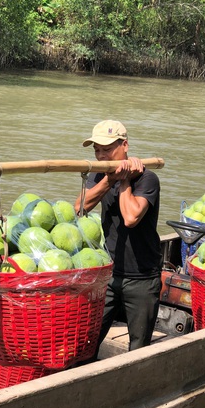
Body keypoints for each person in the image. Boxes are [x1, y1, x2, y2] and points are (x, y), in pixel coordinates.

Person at [75, 120, 161, 354]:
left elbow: (131, 218)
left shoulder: (147, 178)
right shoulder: (99, 176)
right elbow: (79, 209)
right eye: (97, 150)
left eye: (107, 149)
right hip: (109, 273)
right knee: (87, 341)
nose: (101, 156)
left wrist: (124, 180)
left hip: (142, 275)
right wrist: (109, 179)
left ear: (125, 145)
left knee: (138, 348)